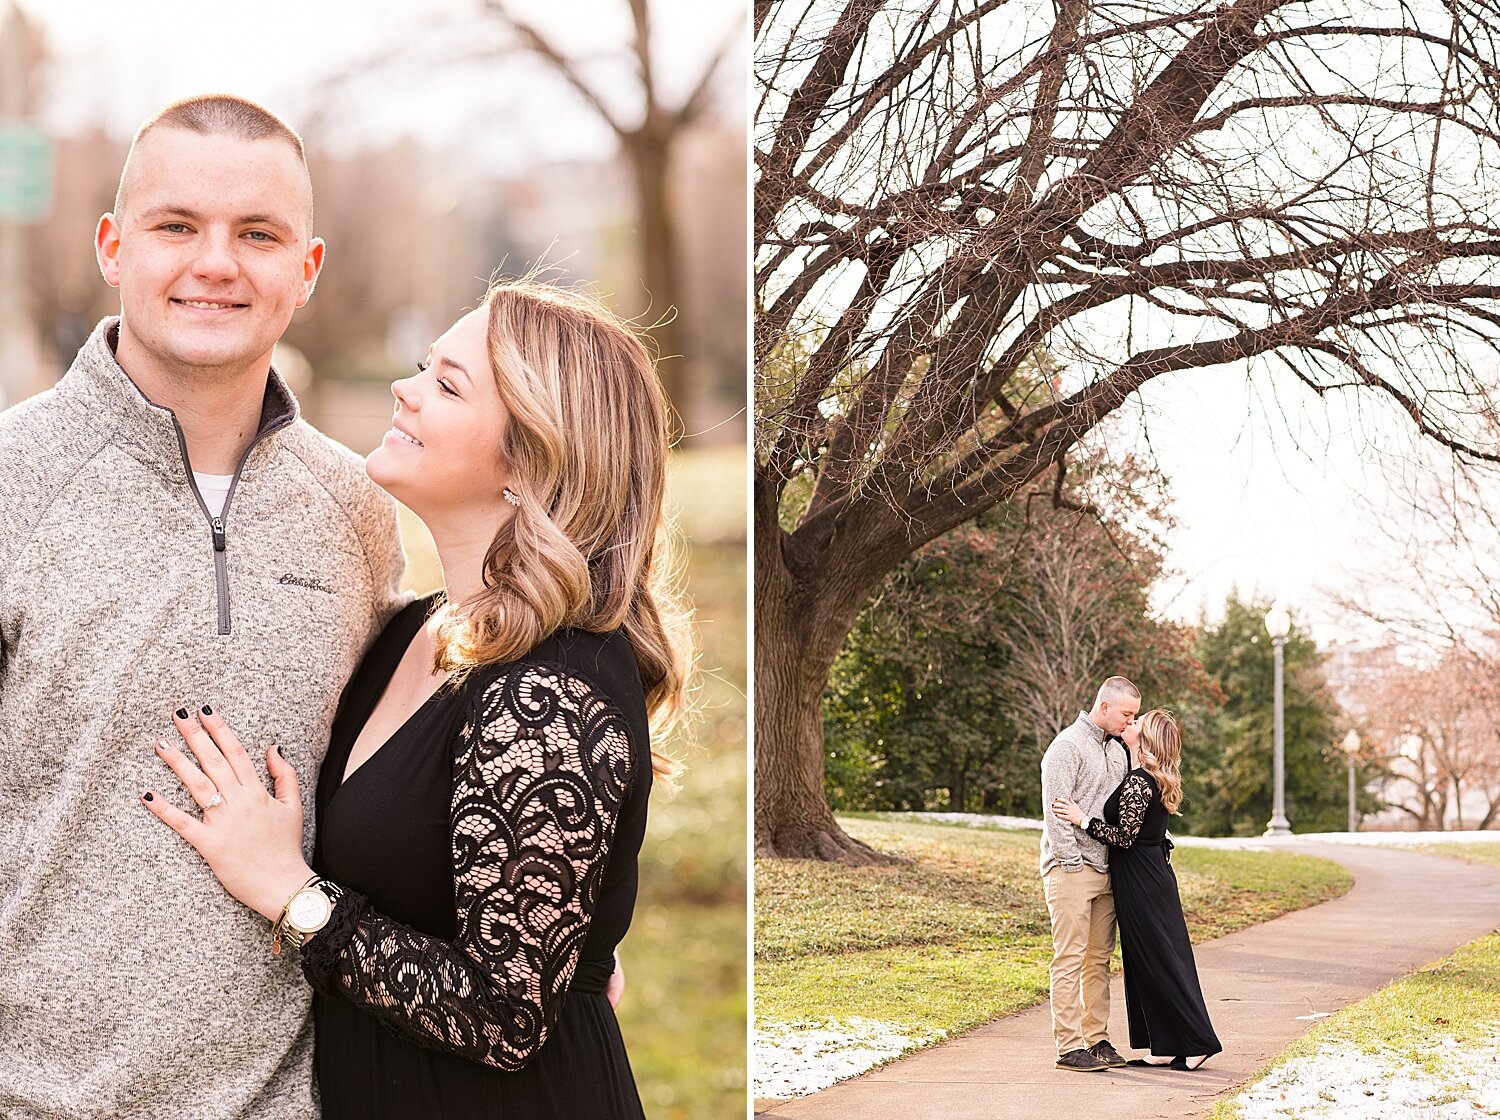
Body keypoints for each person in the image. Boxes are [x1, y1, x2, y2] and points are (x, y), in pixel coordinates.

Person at [142, 277, 688, 1119]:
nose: (405, 387)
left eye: (446, 383)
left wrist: (289, 892)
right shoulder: (414, 633)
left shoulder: (549, 689)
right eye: (424, 366)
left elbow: (507, 1015)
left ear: (531, 458)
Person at [0, 95, 405, 1117]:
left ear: (305, 270)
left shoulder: (357, 507)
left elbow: (398, 789)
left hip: (299, 1101)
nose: (216, 262)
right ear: (113, 246)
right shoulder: (11, 481)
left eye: (257, 234)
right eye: (177, 225)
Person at [1052, 710, 1222, 1070]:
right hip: (1144, 877)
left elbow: (1126, 836)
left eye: (1136, 723)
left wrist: (1082, 819)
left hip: (1142, 880)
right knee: (1145, 961)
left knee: (1160, 960)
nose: (1130, 725)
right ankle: (1161, 1046)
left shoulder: (1139, 781)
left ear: (1145, 741)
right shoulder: (1148, 775)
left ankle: (1197, 1042)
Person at [1039, 675, 1139, 1072]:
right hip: (1071, 869)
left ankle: (1097, 1040)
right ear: (1104, 707)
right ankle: (1068, 1047)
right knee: (1069, 958)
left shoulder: (1117, 751)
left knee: (1098, 960)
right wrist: (1071, 862)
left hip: (1107, 869)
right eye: (1126, 714)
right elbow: (1055, 810)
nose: (1130, 722)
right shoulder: (1066, 747)